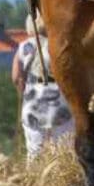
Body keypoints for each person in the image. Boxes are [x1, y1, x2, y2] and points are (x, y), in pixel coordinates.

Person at [12, 13, 74, 159]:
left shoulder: (24, 46)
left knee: (35, 153)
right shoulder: (61, 44)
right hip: (61, 104)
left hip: (33, 106)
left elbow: (16, 77)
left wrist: (24, 93)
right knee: (64, 153)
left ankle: (34, 180)